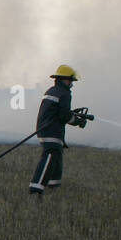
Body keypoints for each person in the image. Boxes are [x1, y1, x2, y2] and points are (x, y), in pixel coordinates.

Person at [29, 65, 87, 198]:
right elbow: (64, 116)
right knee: (50, 156)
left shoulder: (53, 90)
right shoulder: (64, 93)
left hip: (45, 129)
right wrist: (78, 121)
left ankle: (53, 186)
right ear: (62, 79)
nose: (71, 84)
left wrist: (71, 113)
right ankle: (35, 188)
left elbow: (56, 112)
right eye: (70, 81)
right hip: (51, 131)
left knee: (56, 157)